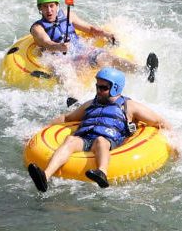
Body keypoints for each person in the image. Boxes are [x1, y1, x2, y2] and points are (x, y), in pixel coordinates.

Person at [27, 67, 173, 191]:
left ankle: (101, 172)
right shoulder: (90, 104)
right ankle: (44, 177)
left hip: (108, 140)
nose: (98, 90)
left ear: (115, 88)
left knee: (100, 141)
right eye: (97, 86)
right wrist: (42, 130)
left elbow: (159, 121)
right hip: (85, 138)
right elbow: (67, 119)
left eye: (103, 88)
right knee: (70, 139)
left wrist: (174, 141)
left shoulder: (129, 106)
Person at [30, 0, 159, 82]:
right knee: (63, 71)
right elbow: (47, 43)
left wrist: (107, 34)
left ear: (57, 5)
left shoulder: (69, 15)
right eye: (45, 7)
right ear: (40, 9)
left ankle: (144, 71)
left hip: (80, 50)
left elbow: (90, 29)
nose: (49, 10)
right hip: (60, 57)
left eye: (52, 6)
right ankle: (75, 99)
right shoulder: (37, 28)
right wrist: (60, 46)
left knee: (107, 57)